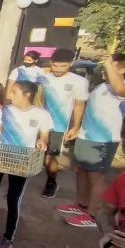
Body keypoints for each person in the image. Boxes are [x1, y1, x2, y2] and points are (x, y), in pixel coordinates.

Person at [0, 81, 52, 248]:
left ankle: (8, 238)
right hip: (0, 156)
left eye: (15, 92)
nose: (10, 96)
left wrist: (42, 142)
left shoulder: (42, 114)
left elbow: (44, 136)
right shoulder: (5, 110)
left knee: (13, 199)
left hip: (22, 161)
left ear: (27, 95)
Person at [57, 54, 125, 227]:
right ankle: (81, 205)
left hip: (103, 141)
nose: (105, 69)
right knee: (80, 171)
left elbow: (120, 90)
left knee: (96, 178)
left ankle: (91, 214)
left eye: (111, 66)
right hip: (86, 136)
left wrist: (110, 64)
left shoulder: (123, 87)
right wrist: (77, 128)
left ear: (123, 69)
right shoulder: (102, 86)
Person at [36, 49, 89, 198]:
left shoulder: (79, 82)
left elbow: (79, 105)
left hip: (58, 127)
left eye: (63, 66)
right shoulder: (42, 78)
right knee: (30, 153)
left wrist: (76, 127)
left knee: (49, 159)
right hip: (37, 124)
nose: (58, 70)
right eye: (55, 65)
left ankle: (51, 182)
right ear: (51, 63)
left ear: (71, 64)